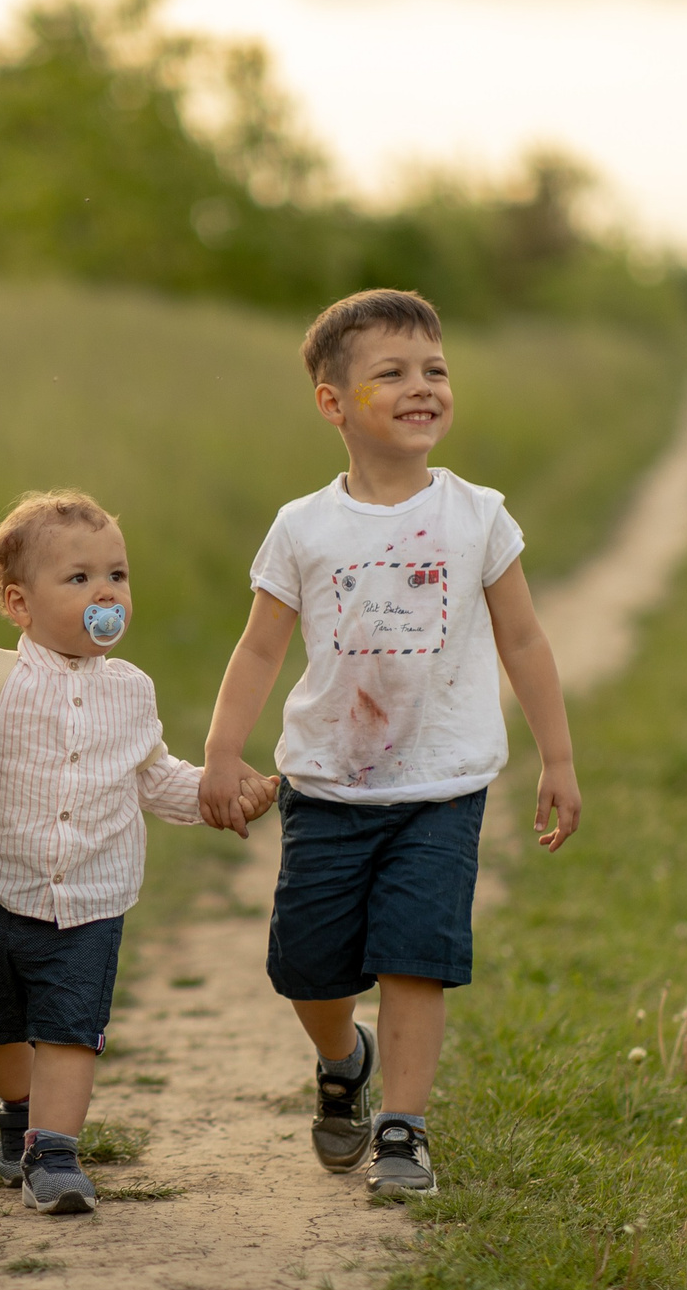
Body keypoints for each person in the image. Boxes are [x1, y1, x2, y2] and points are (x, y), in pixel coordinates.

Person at [198, 289, 581, 1199]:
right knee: (308, 966)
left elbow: (524, 639)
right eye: (394, 373)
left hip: (442, 785)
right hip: (327, 783)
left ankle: (405, 1128)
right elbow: (261, 645)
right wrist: (221, 749)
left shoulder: (479, 515)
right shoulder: (304, 527)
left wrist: (557, 756)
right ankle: (343, 1060)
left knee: (418, 955)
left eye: (436, 370)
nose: (423, 387)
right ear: (334, 403)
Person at [0, 492, 274, 1214]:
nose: (106, 592)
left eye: (117, 576)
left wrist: (219, 797)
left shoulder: (132, 689)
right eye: (79, 578)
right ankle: (19, 1111)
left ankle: (54, 1151)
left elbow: (154, 777)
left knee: (69, 1030)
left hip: (94, 899)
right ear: (18, 602)